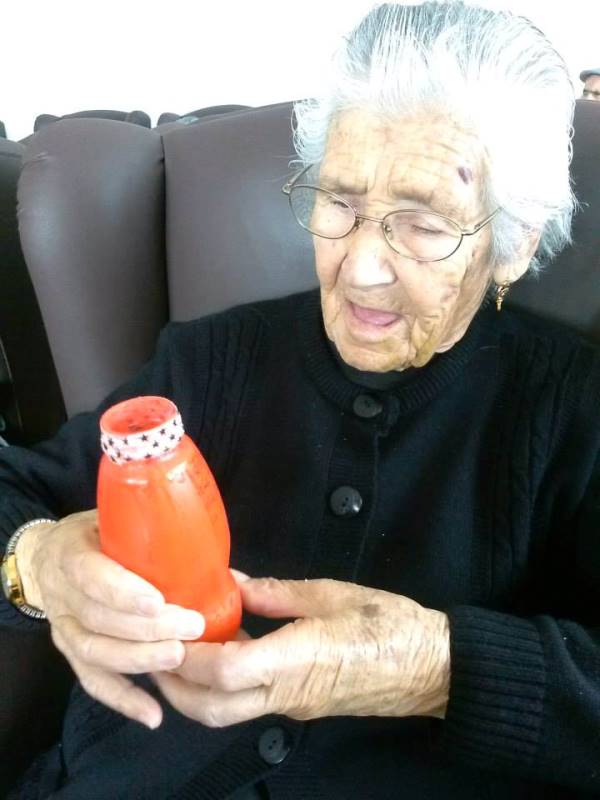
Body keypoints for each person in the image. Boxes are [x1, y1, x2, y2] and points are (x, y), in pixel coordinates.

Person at [1, 2, 599, 798]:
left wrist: (439, 668)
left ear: (515, 242)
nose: (360, 268)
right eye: (339, 203)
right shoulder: (214, 359)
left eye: (422, 224)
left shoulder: (574, 409)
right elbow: (18, 489)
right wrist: (37, 562)